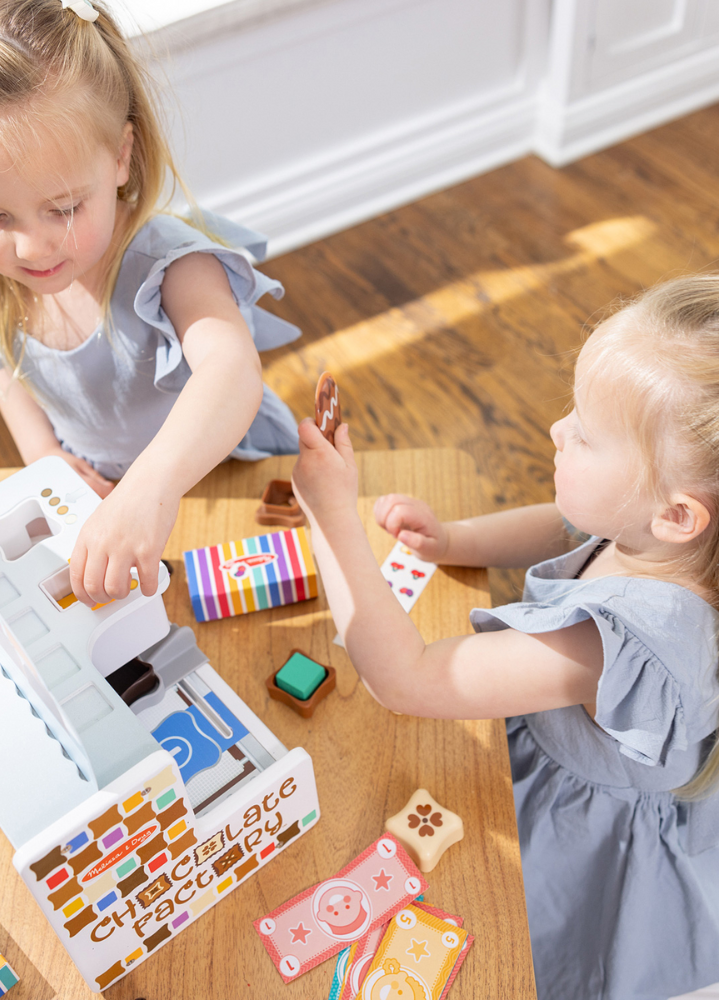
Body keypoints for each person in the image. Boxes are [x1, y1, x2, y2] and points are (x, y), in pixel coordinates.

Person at [291, 275, 719, 1000]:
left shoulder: (620, 643)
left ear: (678, 514)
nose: (557, 431)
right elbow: (568, 526)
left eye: (583, 432)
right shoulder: (656, 530)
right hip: (568, 774)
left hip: (578, 843)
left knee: (528, 958)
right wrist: (456, 539)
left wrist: (331, 514)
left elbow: (407, 678)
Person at [0, 0, 300, 606]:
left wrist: (150, 490)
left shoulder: (172, 264)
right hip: (107, 497)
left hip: (224, 481)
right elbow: (1, 359)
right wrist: (46, 458)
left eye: (63, 208)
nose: (32, 246)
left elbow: (231, 372)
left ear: (121, 155)